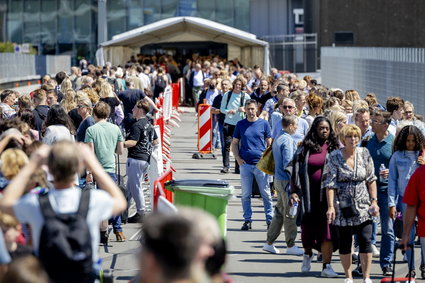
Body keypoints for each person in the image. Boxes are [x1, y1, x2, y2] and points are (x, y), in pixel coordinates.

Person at [0, 141, 127, 282]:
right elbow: (121, 202)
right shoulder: (92, 200)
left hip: (48, 277)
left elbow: (5, 203)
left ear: (49, 168)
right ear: (79, 167)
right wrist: (93, 164)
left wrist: (32, 164)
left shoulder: (35, 203)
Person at [323, 124, 379, 283]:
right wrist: (331, 206)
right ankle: (348, 276)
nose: (353, 139)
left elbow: (371, 179)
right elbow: (330, 184)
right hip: (344, 206)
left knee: (365, 240)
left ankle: (366, 276)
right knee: (345, 243)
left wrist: (374, 201)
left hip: (363, 205)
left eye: (355, 136)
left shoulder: (365, 153)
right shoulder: (334, 156)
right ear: (343, 139)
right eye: (349, 136)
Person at [290, 116, 340, 277]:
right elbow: (295, 171)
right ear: (314, 130)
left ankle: (326, 266)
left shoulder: (334, 148)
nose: (324, 131)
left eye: (327, 128)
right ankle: (307, 254)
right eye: (321, 128)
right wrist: (294, 192)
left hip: (328, 197)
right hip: (307, 197)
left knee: (327, 231)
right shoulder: (304, 148)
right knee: (307, 230)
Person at [388, 125, 425, 279]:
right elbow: (392, 181)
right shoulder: (397, 156)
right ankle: (411, 267)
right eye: (408, 141)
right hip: (405, 201)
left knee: (423, 236)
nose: (410, 144)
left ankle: (424, 263)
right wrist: (391, 203)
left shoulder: (423, 154)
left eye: (413, 141)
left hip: (421, 200)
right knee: (408, 236)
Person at [263, 115, 303, 255]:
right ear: (291, 125)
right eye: (296, 125)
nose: (297, 127)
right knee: (290, 213)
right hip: (286, 181)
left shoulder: (279, 137)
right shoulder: (287, 140)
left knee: (280, 212)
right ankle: (291, 245)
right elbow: (289, 164)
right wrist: (295, 185)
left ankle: (269, 241)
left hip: (278, 179)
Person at [85, 102, 125, 242]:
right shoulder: (115, 129)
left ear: (94, 114)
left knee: (100, 202)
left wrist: (89, 172)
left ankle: (102, 233)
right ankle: (118, 230)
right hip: (110, 169)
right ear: (108, 114)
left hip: (97, 170)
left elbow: (90, 153)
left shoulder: (91, 130)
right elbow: (120, 151)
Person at [231, 99, 273, 230]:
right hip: (245, 164)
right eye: (248, 109)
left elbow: (269, 143)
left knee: (266, 193)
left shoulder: (264, 124)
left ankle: (270, 220)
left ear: (257, 110)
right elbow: (234, 143)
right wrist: (237, 158)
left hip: (260, 165)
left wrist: (266, 159)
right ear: (245, 110)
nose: (250, 111)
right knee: (245, 194)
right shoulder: (240, 124)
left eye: (253, 109)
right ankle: (247, 220)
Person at [366, 109, 395, 276]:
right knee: (365, 229)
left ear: (386, 125)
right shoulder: (368, 140)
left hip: (386, 192)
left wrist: (391, 172)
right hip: (368, 192)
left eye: (376, 121)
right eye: (372, 120)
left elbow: (399, 166)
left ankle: (386, 262)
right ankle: (363, 264)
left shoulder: (393, 143)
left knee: (387, 229)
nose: (372, 123)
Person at [124, 100, 159, 223]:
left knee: (135, 186)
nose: (132, 110)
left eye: (134, 108)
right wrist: (147, 148)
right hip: (145, 159)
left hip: (136, 158)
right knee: (130, 187)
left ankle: (141, 211)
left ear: (140, 110)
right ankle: (123, 211)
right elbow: (156, 141)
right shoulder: (148, 124)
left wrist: (119, 144)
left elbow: (132, 142)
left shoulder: (137, 125)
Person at [219, 78, 251, 174]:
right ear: (233, 85)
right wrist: (228, 111)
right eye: (236, 84)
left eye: (240, 85)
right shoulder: (227, 95)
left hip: (240, 123)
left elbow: (251, 108)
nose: (238, 87)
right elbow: (221, 109)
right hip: (229, 123)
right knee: (227, 145)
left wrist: (244, 109)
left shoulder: (245, 96)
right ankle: (226, 166)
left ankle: (238, 166)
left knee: (240, 146)